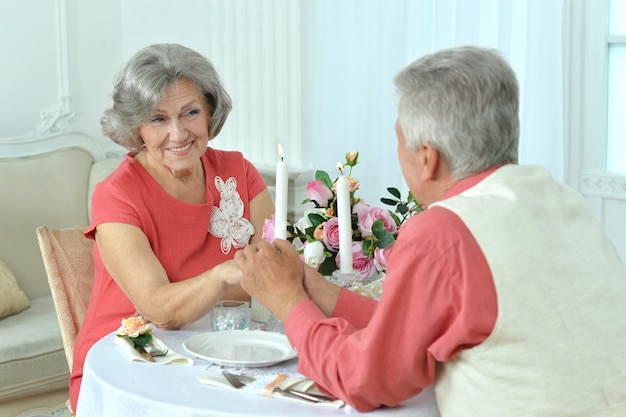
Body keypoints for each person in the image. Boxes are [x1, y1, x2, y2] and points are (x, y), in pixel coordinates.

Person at [234, 46, 626, 415]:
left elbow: (364, 380)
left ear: (427, 159)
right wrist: (315, 290)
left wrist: (286, 301)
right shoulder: (560, 199)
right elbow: (417, 327)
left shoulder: (445, 230)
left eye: (400, 141)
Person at [69, 43, 273, 411]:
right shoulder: (116, 195)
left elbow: (275, 275)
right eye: (158, 119)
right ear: (137, 129)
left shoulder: (239, 172)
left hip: (224, 350)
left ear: (210, 111)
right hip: (133, 362)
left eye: (190, 112)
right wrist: (226, 273)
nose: (178, 134)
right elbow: (160, 310)